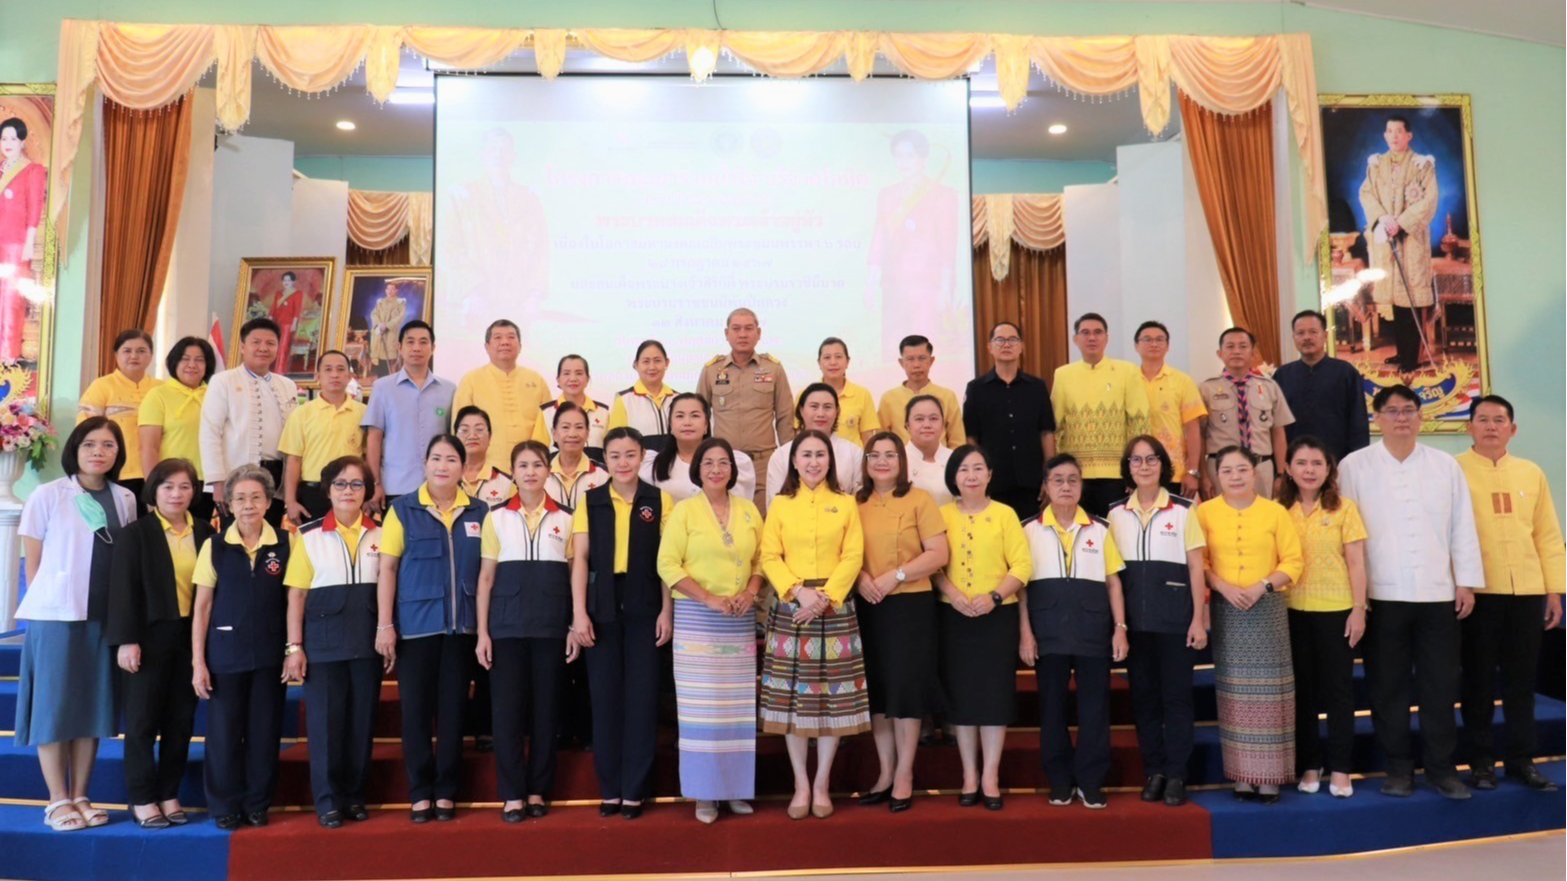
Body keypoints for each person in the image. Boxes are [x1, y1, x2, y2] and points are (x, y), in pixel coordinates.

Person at [1339, 384, 1483, 800]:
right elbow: (1348, 539)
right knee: (1388, 687)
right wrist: (1357, 600)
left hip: (1438, 594)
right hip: (1382, 597)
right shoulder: (1354, 466)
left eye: (1408, 411)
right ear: (1377, 418)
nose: (1401, 418)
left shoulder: (1444, 465)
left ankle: (1442, 770)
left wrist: (1466, 581)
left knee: (1440, 686)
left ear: (1421, 418)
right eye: (1392, 411)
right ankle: (1398, 769)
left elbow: (1462, 526)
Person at [15, 418, 138, 832]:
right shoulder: (48, 494)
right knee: (55, 709)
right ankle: (56, 799)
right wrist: (45, 605)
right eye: (89, 444)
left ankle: (82, 794)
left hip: (105, 618)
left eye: (108, 445)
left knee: (93, 708)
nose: (98, 452)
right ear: (75, 449)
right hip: (57, 617)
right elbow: (33, 562)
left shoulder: (124, 498)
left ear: (118, 453)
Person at [374, 434, 489, 823]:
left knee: (454, 713)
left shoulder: (480, 511)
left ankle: (446, 791)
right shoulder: (403, 509)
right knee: (417, 714)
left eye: (451, 459)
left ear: (462, 466)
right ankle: (420, 791)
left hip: (462, 631)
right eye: (436, 458)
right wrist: (385, 624)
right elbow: (387, 569)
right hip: (415, 630)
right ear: (425, 464)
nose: (443, 466)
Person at [759, 430, 870, 819]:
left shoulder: (845, 503)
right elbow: (769, 555)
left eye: (820, 455)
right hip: (792, 608)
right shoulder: (780, 504)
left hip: (833, 608)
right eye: (805, 455)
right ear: (793, 461)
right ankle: (800, 784)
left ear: (830, 460)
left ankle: (821, 782)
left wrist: (824, 597)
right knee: (793, 701)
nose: (813, 462)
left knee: (831, 701)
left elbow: (854, 554)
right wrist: (797, 592)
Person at [657, 436, 766, 824]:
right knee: (701, 712)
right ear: (697, 470)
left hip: (737, 620)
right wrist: (708, 599)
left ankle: (734, 791)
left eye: (723, 463)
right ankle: (705, 795)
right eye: (709, 463)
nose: (717, 469)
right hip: (698, 619)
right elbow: (668, 565)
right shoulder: (684, 512)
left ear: (733, 471)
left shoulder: (749, 510)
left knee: (735, 710)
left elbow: (761, 561)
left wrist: (750, 593)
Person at [1457, 395, 1564, 792]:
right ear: (1469, 427)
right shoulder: (1454, 471)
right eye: (1482, 419)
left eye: (1498, 420)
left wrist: (1554, 590)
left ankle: (1522, 760)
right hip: (1478, 594)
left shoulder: (1531, 472)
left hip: (1526, 591)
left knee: (1521, 682)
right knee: (1479, 681)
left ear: (1512, 429)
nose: (1490, 426)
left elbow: (1548, 535)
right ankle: (1481, 762)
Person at [570, 427, 673, 820]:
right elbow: (580, 560)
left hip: (647, 604)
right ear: (605, 461)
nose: (623, 463)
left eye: (630, 455)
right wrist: (579, 613)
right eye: (615, 456)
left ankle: (635, 789)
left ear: (642, 456)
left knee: (643, 700)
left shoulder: (660, 500)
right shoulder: (591, 500)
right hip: (602, 608)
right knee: (606, 699)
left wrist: (667, 611)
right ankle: (610, 788)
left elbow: (668, 563)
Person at [475, 441, 576, 822]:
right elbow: (485, 578)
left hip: (551, 627)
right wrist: (483, 632)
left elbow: (574, 577)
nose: (530, 472)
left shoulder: (567, 517)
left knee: (547, 711)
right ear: (512, 473)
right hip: (505, 627)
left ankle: (538, 789)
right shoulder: (496, 517)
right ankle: (512, 793)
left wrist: (572, 624)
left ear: (548, 471)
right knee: (507, 713)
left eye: (537, 464)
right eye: (522, 465)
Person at [107, 458, 212, 829]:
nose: (177, 494)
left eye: (185, 487)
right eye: (168, 486)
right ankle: (141, 798)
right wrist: (126, 641)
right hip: (147, 639)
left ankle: (169, 793)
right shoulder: (136, 533)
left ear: (194, 492)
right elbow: (122, 591)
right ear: (153, 490)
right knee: (141, 722)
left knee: (180, 721)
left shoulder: (204, 532)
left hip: (190, 638)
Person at [1020, 454, 1128, 810]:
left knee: (1094, 708)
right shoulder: (1027, 529)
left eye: (1072, 480)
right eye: (1058, 480)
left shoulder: (1101, 528)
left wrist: (1120, 629)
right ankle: (1061, 780)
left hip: (1093, 631)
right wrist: (1025, 633)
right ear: (1046, 487)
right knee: (1051, 709)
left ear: (1081, 486)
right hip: (1046, 632)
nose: (1065, 487)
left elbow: (1113, 583)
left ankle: (1091, 780)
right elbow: (1020, 588)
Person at [1198, 446, 1304, 803]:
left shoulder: (1275, 512)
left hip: (1267, 606)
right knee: (1234, 694)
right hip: (1227, 609)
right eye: (1226, 470)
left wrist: (1263, 585)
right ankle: (1242, 776)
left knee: (1270, 695)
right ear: (1216, 476)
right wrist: (1223, 587)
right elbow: (1201, 562)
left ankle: (1271, 778)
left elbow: (1293, 561)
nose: (1235, 476)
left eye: (1242, 469)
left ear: (1255, 471)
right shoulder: (1204, 513)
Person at [282, 456, 383, 828]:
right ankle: (326, 801)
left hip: (367, 642)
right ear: (328, 490)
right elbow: (296, 597)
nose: (348, 491)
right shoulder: (307, 535)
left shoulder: (382, 532)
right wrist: (294, 647)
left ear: (367, 492)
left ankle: (354, 796)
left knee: (361, 725)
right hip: (322, 646)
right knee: (326, 727)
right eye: (340, 484)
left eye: (357, 484)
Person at [1107, 436, 1207, 807]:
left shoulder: (1183, 509)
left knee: (1177, 700)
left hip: (1176, 623)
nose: (1144, 466)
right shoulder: (1115, 513)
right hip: (1135, 626)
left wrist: (1198, 620)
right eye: (1136, 460)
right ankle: (1156, 771)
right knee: (1145, 701)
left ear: (1163, 465)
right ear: (1128, 468)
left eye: (1151, 460)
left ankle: (1178, 774)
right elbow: (1112, 575)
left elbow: (1197, 567)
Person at [190, 465, 290, 829]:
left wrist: (293, 649)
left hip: (269, 655)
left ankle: (257, 803)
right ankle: (225, 806)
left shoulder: (284, 543)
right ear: (229, 504)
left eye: (256, 497)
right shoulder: (214, 546)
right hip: (224, 655)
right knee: (223, 735)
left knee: (265, 733)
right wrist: (198, 662)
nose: (248, 505)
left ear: (267, 502)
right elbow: (201, 607)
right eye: (240, 498)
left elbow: (294, 601)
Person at [854, 434, 949, 812]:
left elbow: (938, 553)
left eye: (889, 455)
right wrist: (861, 579)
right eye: (874, 455)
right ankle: (885, 772)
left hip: (909, 605)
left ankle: (906, 774)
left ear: (901, 461)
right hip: (867, 604)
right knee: (877, 691)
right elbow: (843, 551)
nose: (881, 461)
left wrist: (894, 576)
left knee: (905, 689)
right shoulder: (854, 502)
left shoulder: (919, 499)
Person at [933, 444, 1030, 810]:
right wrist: (953, 593)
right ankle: (968, 774)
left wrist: (994, 596)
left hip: (996, 617)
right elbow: (933, 564)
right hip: (952, 616)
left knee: (993, 698)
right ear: (953, 477)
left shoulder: (1006, 514)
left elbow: (1021, 566)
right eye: (963, 469)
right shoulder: (941, 515)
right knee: (962, 699)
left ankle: (990, 775)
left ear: (990, 475)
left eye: (978, 468)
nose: (971, 476)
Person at [1279, 436, 1368, 799]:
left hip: (1337, 611)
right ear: (1288, 468)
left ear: (1329, 469)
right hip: (1291, 612)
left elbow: (1357, 562)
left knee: (1338, 693)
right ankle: (1310, 765)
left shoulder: (1344, 508)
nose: (1309, 470)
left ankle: (1342, 769)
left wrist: (1359, 609)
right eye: (1301, 462)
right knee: (1303, 694)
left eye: (1317, 463)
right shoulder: (1277, 510)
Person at [867, 129, 960, 360]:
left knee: (925, 347)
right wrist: (870, 282)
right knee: (892, 346)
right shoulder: (887, 195)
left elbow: (948, 244)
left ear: (923, 158)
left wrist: (946, 288)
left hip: (927, 285)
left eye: (910, 155)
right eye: (899, 156)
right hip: (893, 285)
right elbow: (880, 238)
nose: (904, 162)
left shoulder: (942, 195)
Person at [200, 318, 298, 525]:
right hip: (236, 477)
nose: (263, 348)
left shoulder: (287, 385)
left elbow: (295, 436)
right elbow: (210, 432)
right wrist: (217, 481)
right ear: (243, 347)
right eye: (256, 342)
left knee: (270, 536)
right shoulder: (223, 381)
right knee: (237, 537)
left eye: (270, 343)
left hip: (277, 477)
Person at [694, 308, 794, 512]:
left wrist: (789, 462)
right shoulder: (711, 370)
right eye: (736, 328)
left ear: (758, 333)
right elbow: (699, 418)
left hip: (763, 464)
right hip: (723, 463)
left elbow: (785, 418)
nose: (742, 334)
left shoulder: (774, 369)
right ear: (726, 333)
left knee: (763, 523)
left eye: (749, 328)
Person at [1359, 115, 1438, 373]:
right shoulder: (1376, 164)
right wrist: (1382, 218)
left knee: (1410, 298)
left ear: (1408, 135)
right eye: (1389, 131)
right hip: (1386, 238)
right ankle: (1401, 351)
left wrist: (1400, 223)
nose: (1394, 136)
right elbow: (1367, 193)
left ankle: (1410, 358)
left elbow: (1429, 200)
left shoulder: (1422, 165)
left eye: (1399, 131)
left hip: (1410, 240)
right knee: (1394, 299)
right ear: (1385, 135)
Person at [1052, 314, 1150, 517]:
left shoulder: (1127, 371)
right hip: (1074, 476)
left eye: (1098, 332)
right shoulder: (1063, 374)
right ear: (1075, 339)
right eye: (1085, 333)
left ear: (1107, 338)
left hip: (1117, 476)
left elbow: (1139, 423)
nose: (1092, 338)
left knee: (1116, 537)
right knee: (1081, 536)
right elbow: (1056, 426)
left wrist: (1135, 472)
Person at [964, 321, 1056, 520]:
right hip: (992, 483)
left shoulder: (1037, 387)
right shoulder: (976, 389)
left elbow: (1047, 432)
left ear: (1021, 346)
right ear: (989, 347)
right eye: (1000, 340)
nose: (1006, 344)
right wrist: (978, 476)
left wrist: (1049, 477)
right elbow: (971, 437)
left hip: (1032, 484)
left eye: (1012, 339)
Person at [363, 320, 455, 513]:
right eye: (410, 342)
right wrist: (375, 484)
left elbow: (453, 439)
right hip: (396, 486)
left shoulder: (449, 389)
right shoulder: (383, 388)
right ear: (400, 348)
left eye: (423, 342)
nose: (416, 348)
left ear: (433, 348)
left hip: (439, 486)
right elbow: (374, 439)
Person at [1199, 328, 1294, 499]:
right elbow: (1199, 435)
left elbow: (1278, 433)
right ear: (1220, 353)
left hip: (1261, 468)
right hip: (1221, 469)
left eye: (1243, 346)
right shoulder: (1206, 389)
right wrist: (1203, 476)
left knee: (1262, 521)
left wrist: (1281, 474)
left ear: (1253, 353)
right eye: (1230, 346)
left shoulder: (1269, 387)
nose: (1236, 351)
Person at [452, 319, 550, 473]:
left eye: (511, 337)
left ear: (520, 346)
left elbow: (547, 426)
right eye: (497, 338)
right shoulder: (471, 380)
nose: (505, 342)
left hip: (530, 470)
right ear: (487, 347)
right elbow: (460, 430)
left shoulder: (536, 380)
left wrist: (536, 461)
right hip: (485, 470)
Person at [1273, 310, 1371, 463]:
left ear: (1325, 336)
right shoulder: (1282, 375)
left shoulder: (1346, 372)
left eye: (1313, 332)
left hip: (1337, 461)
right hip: (1293, 463)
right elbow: (1276, 426)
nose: (1307, 337)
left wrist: (1356, 461)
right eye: (1300, 333)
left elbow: (1358, 422)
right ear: (1293, 338)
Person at [280, 350, 365, 524]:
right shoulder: (301, 414)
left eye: (340, 369)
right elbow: (294, 460)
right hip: (313, 494)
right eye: (328, 369)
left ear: (349, 376)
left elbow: (369, 458)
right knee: (316, 547)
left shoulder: (363, 413)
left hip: (352, 493)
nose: (334, 374)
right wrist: (290, 501)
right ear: (318, 376)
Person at [140, 337, 216, 521]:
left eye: (199, 359)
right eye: (185, 358)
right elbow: (149, 447)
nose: (192, 365)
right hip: (171, 483)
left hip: (209, 482)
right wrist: (153, 488)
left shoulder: (216, 394)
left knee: (200, 538)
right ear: (174, 362)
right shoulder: (158, 395)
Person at [77, 329, 158, 499]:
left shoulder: (161, 389)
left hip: (156, 472)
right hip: (116, 471)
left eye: (141, 351)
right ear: (116, 355)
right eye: (127, 351)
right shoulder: (102, 386)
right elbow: (86, 430)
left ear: (151, 355)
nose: (134, 356)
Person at [640, 392, 757, 503]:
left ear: (706, 424)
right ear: (670, 424)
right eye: (680, 416)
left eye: (695, 416)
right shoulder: (654, 464)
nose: (687, 422)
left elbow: (740, 506)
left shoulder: (732, 462)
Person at [1133, 322, 1205, 498]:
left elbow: (1193, 430)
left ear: (1168, 346)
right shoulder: (1128, 380)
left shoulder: (1182, 381)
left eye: (1160, 340)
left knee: (1172, 524)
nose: (1154, 344)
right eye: (1147, 339)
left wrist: (1193, 471)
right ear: (1136, 346)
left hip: (1174, 471)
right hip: (1135, 470)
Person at [765, 383, 864, 506]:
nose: (820, 413)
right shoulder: (782, 455)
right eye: (814, 406)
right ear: (801, 410)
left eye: (827, 407)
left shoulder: (854, 453)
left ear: (837, 411)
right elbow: (774, 505)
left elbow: (859, 502)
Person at [0, 116, 46, 361]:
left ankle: (7, 353)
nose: (8, 143)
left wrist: (29, 242)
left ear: (23, 141)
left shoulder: (32, 170)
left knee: (11, 299)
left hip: (16, 244)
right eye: (4, 138)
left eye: (13, 138)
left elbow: (35, 207)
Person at [877, 334, 966, 450]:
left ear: (931, 361)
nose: (917, 365)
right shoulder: (888, 399)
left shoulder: (947, 396)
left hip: (940, 465)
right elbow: (882, 440)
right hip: (902, 465)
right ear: (901, 363)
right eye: (910, 359)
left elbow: (957, 441)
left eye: (922, 358)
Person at [803, 337, 879, 446]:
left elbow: (868, 439)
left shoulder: (862, 394)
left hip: (853, 461)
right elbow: (799, 434)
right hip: (815, 460)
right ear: (819, 363)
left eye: (838, 357)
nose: (833, 362)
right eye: (827, 357)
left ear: (847, 361)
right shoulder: (805, 395)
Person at [608, 340, 678, 453]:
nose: (652, 367)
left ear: (667, 363)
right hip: (640, 469)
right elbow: (615, 444)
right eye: (646, 361)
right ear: (636, 365)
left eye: (657, 361)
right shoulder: (625, 399)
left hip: (674, 467)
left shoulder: (677, 399)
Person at [535, 354, 609, 462]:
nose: (573, 379)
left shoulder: (603, 412)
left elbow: (611, 450)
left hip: (597, 477)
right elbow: (538, 452)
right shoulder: (546, 412)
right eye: (566, 373)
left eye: (579, 373)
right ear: (558, 380)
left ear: (587, 379)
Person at [543, 402, 610, 509]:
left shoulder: (605, 475)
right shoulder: (540, 474)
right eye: (565, 427)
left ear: (587, 434)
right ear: (554, 434)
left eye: (579, 427)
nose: (572, 434)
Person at [455, 405, 517, 508]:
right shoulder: (447, 480)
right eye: (465, 430)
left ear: (490, 437)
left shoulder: (507, 484)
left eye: (479, 429)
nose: (472, 436)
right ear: (455, 437)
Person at [904, 394, 954, 507]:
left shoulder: (955, 459)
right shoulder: (897, 460)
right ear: (907, 426)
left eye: (933, 419)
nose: (927, 425)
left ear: (943, 425)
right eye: (919, 419)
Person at [265, 272, 307, 376]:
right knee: (275, 346)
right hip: (276, 324)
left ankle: (279, 371)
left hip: (288, 325)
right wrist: (269, 321)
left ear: (293, 281)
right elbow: (273, 309)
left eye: (288, 280)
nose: (286, 282)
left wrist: (294, 324)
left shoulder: (297, 293)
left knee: (283, 347)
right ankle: (271, 370)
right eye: (284, 280)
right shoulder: (279, 293)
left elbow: (297, 310)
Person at [368, 281, 407, 376]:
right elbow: (374, 314)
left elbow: (400, 317)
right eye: (388, 289)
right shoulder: (380, 302)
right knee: (380, 364)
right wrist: (379, 324)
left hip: (391, 334)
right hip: (379, 334)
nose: (390, 291)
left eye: (392, 289)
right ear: (385, 290)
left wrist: (388, 325)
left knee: (390, 363)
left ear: (396, 290)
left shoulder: (400, 302)